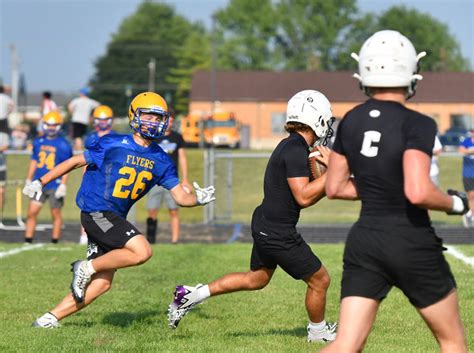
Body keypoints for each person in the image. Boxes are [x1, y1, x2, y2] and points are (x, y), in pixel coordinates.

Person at [321, 30, 469, 353]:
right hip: (409, 238)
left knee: (346, 344)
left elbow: (334, 187)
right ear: (410, 73)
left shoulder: (349, 121)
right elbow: (417, 192)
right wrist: (457, 204)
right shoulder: (418, 124)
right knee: (452, 341)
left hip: (364, 240)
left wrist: (379, 188)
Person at [23, 92, 215, 328]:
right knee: (142, 251)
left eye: (158, 117)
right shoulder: (112, 143)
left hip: (113, 218)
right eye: (148, 115)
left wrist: (198, 198)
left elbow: (180, 197)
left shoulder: (161, 159)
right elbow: (75, 161)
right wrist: (40, 182)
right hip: (97, 211)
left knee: (102, 284)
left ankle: (48, 319)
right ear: (134, 115)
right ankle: (84, 267)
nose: (153, 122)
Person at [167, 90, 337, 343]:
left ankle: (191, 295)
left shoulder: (292, 146)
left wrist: (327, 180)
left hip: (267, 223)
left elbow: (307, 196)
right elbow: (304, 197)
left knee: (256, 279)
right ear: (318, 118)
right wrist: (332, 174)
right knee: (320, 280)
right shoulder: (295, 150)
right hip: (278, 231)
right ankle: (318, 333)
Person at [24, 112, 73, 244]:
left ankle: (55, 241)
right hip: (38, 182)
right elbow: (34, 161)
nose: (51, 128)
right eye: (49, 125)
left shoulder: (64, 144)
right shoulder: (38, 141)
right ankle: (28, 240)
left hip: (54, 184)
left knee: (55, 213)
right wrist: (28, 179)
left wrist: (63, 184)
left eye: (54, 125)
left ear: (59, 126)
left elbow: (67, 166)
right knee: (31, 213)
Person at [146, 112, 191, 244]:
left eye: (172, 121)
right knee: (152, 210)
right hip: (155, 181)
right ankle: (151, 239)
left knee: (174, 210)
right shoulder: (155, 137)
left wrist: (185, 178)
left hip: (172, 180)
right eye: (168, 121)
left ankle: (175, 240)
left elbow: (182, 157)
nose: (169, 124)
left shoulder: (177, 138)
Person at [78, 105, 117, 244]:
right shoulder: (91, 137)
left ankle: (107, 235)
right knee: (87, 206)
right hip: (93, 176)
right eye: (99, 120)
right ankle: (84, 235)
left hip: (109, 177)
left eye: (105, 120)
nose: (102, 123)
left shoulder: (115, 137)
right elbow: (85, 160)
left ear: (111, 120)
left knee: (109, 208)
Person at [459, 128, 474, 228]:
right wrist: (470, 151)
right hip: (468, 173)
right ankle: (471, 215)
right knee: (471, 195)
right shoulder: (466, 141)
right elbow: (461, 150)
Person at [0, 130, 9, 223]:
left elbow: (5, 147)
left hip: (1, 168)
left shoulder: (3, 135)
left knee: (1, 192)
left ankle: (0, 216)